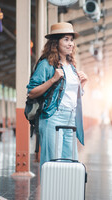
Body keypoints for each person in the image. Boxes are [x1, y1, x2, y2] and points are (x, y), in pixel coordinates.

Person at [26, 22, 87, 167]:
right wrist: (53, 79)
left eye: (71, 40)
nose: (70, 44)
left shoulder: (71, 66)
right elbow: (31, 92)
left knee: (69, 163)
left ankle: (64, 190)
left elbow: (70, 95)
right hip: (53, 116)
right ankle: (50, 190)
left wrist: (82, 84)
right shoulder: (46, 64)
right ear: (55, 42)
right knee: (52, 162)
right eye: (66, 39)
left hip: (71, 118)